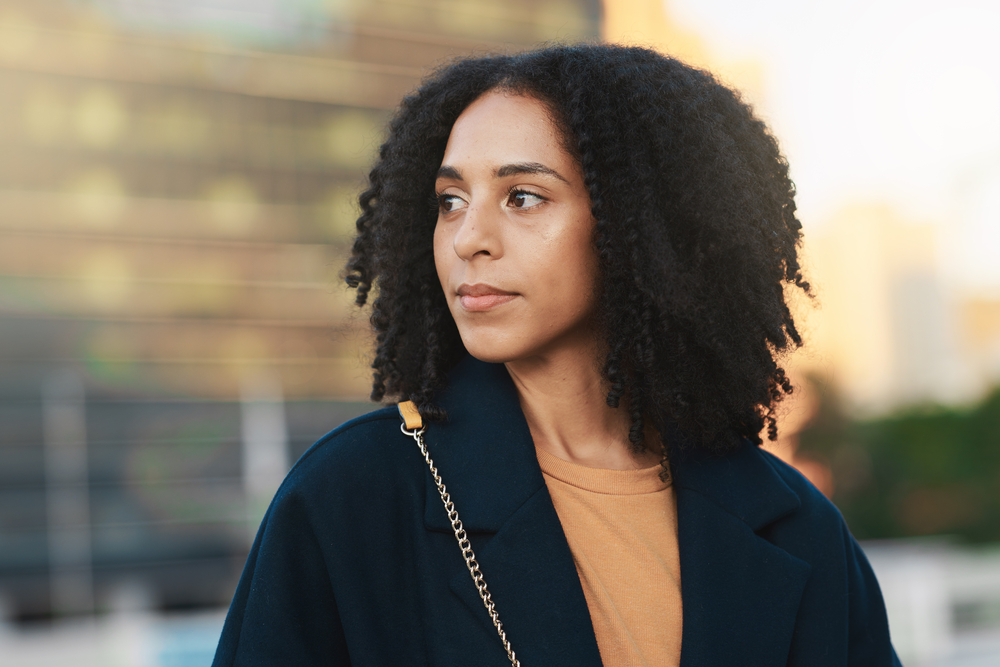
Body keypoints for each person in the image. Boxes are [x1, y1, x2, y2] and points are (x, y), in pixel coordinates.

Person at [212, 44, 901, 666]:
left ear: (644, 226)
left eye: (522, 196)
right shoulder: (351, 495)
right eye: (450, 201)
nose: (467, 238)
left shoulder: (798, 528)